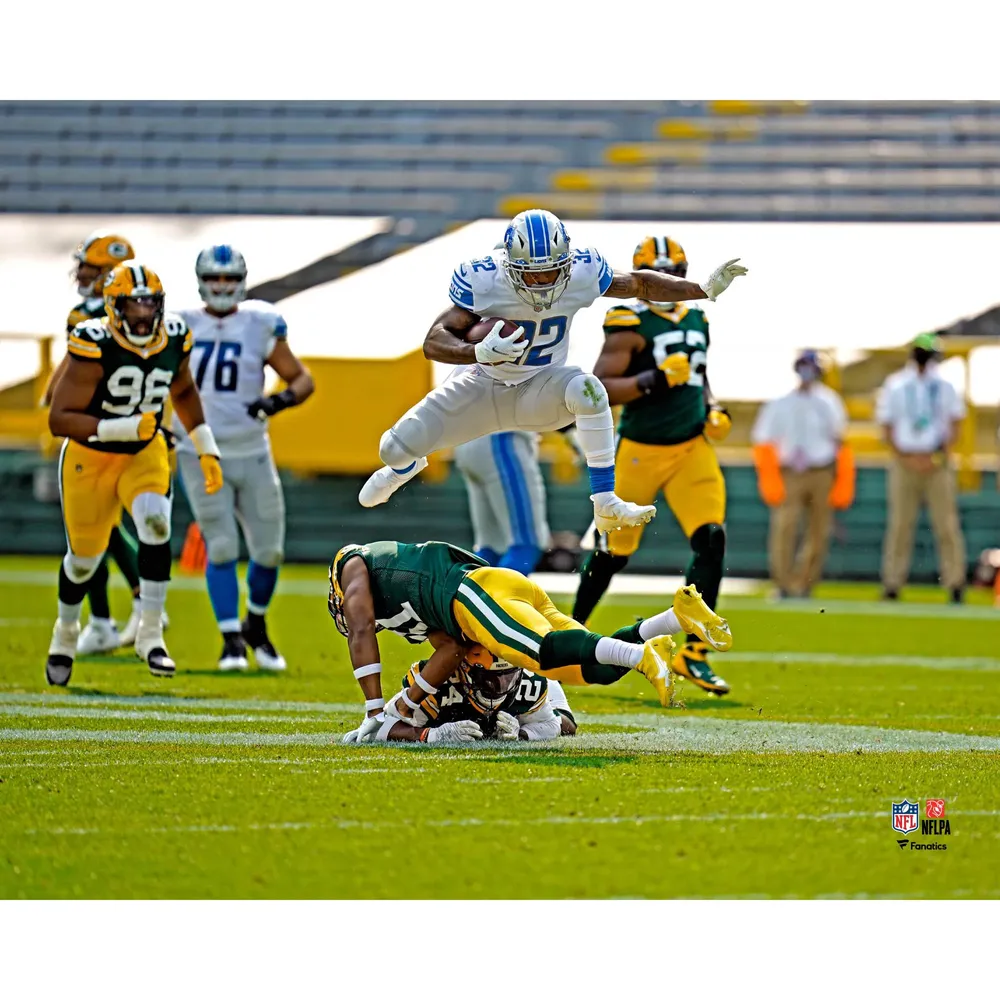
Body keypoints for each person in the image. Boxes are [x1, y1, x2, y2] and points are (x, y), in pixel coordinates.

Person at [358, 210, 746, 540]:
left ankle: (604, 501)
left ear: (567, 261)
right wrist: (474, 351)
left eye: (552, 272)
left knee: (589, 389)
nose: (543, 282)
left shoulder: (583, 270)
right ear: (508, 264)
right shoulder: (483, 278)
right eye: (531, 274)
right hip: (480, 387)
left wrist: (701, 289)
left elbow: (641, 282)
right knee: (391, 448)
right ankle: (406, 466)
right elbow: (434, 340)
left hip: (540, 389)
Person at [327, 539, 733, 742]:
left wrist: (374, 709)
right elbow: (450, 650)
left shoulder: (354, 564)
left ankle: (643, 656)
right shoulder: (407, 601)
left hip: (476, 593)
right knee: (585, 668)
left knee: (543, 655)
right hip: (500, 591)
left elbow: (361, 628)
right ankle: (670, 619)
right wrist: (406, 708)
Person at [44, 261, 224, 684]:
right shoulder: (93, 342)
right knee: (84, 561)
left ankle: (150, 634)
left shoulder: (175, 336)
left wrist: (206, 449)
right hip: (90, 456)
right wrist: (120, 427)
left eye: (150, 304)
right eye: (134, 305)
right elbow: (59, 418)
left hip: (144, 452)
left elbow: (182, 389)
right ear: (113, 307)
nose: (143, 315)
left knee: (156, 524)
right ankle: (65, 633)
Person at [570, 235, 733, 695]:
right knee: (610, 555)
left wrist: (713, 407)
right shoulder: (628, 319)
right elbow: (599, 386)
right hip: (640, 450)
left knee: (712, 539)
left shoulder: (697, 314)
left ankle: (694, 653)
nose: (670, 284)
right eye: (661, 276)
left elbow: (699, 375)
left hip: (690, 448)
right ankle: (563, 632)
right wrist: (654, 379)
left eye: (676, 275)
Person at [174, 245, 314, 671]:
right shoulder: (179, 324)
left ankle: (255, 623)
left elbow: (302, 379)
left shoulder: (259, 322)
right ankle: (231, 639)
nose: (221, 286)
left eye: (228, 279)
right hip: (199, 451)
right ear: (201, 280)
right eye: (214, 278)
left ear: (241, 281)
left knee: (269, 551)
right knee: (220, 546)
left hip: (253, 450)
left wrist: (277, 402)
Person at [42, 231, 164, 655]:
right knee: (105, 530)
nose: (83, 275)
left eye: (93, 270)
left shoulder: (86, 316)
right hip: (141, 431)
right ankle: (129, 603)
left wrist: (55, 396)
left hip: (101, 435)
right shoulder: (152, 321)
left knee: (89, 535)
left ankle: (104, 618)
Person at [751, 350, 854, 598]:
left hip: (821, 470)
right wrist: (771, 477)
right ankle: (783, 583)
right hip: (790, 472)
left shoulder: (829, 401)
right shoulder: (780, 402)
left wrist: (841, 480)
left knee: (819, 530)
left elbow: (840, 439)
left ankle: (805, 583)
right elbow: (763, 439)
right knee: (785, 527)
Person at [876, 333, 967, 602]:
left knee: (946, 525)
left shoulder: (945, 385)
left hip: (937, 462)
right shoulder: (896, 384)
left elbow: (955, 425)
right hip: (905, 462)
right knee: (900, 525)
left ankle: (954, 582)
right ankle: (892, 582)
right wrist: (905, 457)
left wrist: (937, 457)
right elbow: (887, 426)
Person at [343, 646, 576, 743]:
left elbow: (554, 724)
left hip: (540, 694)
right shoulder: (439, 682)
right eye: (492, 678)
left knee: (569, 726)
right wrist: (430, 735)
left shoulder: (528, 683)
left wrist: (522, 733)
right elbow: (380, 727)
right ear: (467, 671)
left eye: (508, 675)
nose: (502, 685)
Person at [453, 429, 550, 575]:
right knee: (526, 542)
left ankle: (470, 595)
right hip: (502, 440)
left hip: (466, 439)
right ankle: (503, 596)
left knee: (491, 546)